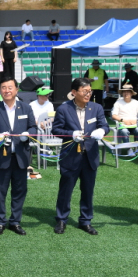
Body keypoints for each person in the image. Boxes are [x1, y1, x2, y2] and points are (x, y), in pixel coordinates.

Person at [51, 77, 109, 235]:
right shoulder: (64, 109)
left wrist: (102, 131)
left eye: (89, 91)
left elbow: (104, 125)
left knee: (88, 190)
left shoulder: (96, 108)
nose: (88, 94)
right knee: (66, 189)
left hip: (90, 155)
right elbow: (56, 130)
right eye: (85, 91)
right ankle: (62, 219)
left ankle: (86, 220)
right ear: (74, 92)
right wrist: (71, 134)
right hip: (70, 155)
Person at [0, 77, 37, 236]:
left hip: (21, 156)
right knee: (0, 191)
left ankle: (15, 221)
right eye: (3, 87)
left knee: (20, 190)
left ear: (16, 90)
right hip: (2, 156)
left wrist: (28, 134)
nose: (7, 90)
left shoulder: (26, 108)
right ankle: (0, 222)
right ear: (0, 90)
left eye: (10, 87)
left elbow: (33, 127)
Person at [111, 84, 138, 156]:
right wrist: (123, 120)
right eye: (124, 92)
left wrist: (136, 121)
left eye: (128, 92)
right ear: (122, 93)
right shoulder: (118, 103)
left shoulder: (136, 103)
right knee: (124, 131)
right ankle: (129, 149)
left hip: (134, 124)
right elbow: (114, 115)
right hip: (123, 125)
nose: (126, 93)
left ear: (131, 93)